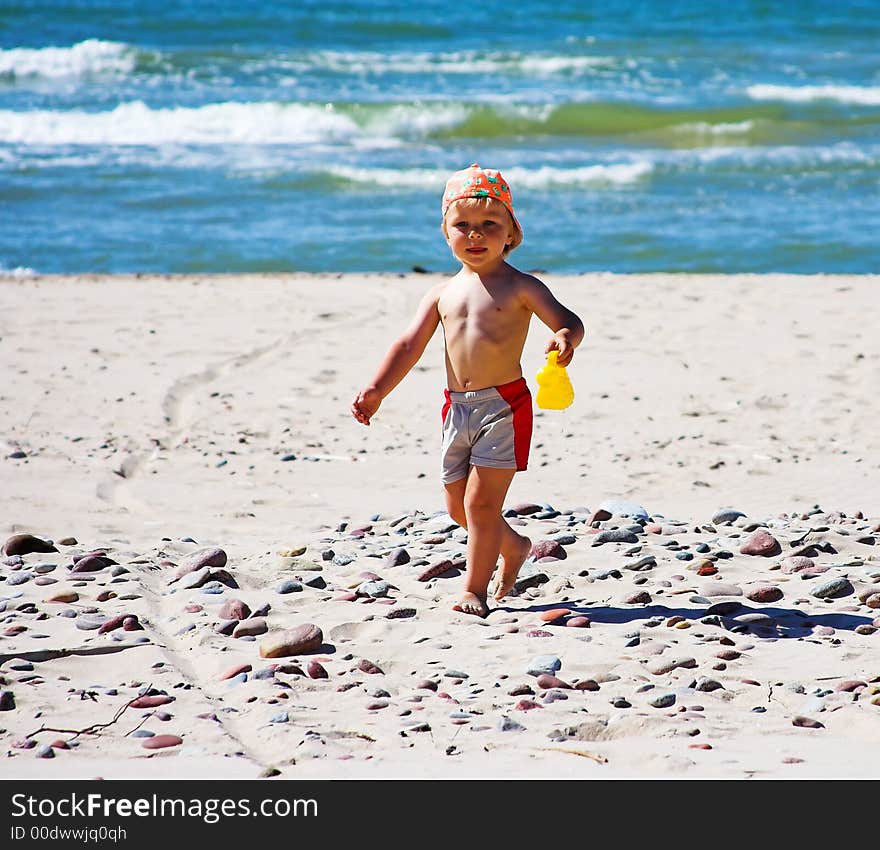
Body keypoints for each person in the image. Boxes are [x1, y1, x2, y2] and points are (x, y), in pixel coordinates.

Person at [351, 163, 584, 617]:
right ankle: (513, 546)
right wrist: (377, 389)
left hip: (504, 406)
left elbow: (568, 320)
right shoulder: (442, 293)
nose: (475, 236)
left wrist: (564, 338)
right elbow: (408, 345)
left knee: (481, 504)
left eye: (488, 226)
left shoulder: (522, 286)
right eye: (463, 226)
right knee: (459, 508)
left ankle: (473, 589)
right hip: (457, 408)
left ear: (511, 233)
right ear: (446, 232)